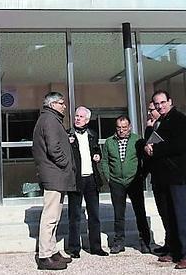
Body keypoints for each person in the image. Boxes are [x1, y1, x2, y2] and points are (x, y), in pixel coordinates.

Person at [144, 90, 186, 270]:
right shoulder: (161, 121)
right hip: (163, 178)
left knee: (181, 216)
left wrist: (155, 150)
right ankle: (174, 250)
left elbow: (179, 145)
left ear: (170, 101)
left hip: (178, 177)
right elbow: (153, 141)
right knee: (169, 216)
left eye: (162, 102)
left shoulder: (179, 119)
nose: (160, 106)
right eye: (156, 104)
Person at [32, 92, 76, 270]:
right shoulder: (49, 120)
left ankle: (51, 250)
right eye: (61, 103)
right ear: (51, 105)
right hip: (54, 174)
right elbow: (54, 148)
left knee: (55, 215)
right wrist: (65, 163)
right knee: (50, 216)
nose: (64, 106)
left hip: (56, 175)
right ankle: (44, 256)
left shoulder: (51, 119)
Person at [100, 115, 152, 254]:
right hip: (116, 182)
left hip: (134, 181)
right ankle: (118, 242)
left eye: (124, 127)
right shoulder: (109, 142)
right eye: (119, 128)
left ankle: (145, 242)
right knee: (118, 214)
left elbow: (145, 159)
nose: (121, 130)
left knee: (140, 212)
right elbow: (104, 161)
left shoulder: (137, 140)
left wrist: (142, 176)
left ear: (129, 127)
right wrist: (109, 178)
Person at [65, 106, 109, 258]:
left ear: (87, 120)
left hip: (91, 178)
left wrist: (97, 155)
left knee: (94, 215)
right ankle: (74, 248)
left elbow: (96, 150)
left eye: (81, 116)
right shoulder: (67, 134)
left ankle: (96, 247)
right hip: (76, 179)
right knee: (74, 216)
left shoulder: (92, 134)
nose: (77, 118)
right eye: (76, 115)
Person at [139, 102, 172, 256]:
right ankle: (168, 243)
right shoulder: (155, 126)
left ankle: (172, 245)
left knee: (169, 213)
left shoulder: (167, 126)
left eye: (152, 110)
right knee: (163, 213)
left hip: (167, 177)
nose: (150, 112)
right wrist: (148, 128)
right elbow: (148, 147)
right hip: (157, 178)